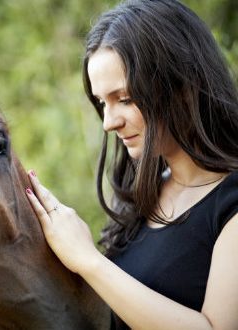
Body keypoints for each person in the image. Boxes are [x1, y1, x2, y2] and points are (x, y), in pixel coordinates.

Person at [25, 0, 238, 329]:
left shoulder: (231, 204)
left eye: (124, 99)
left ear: (182, 86)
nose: (109, 122)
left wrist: (89, 261)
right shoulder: (143, 192)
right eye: (101, 102)